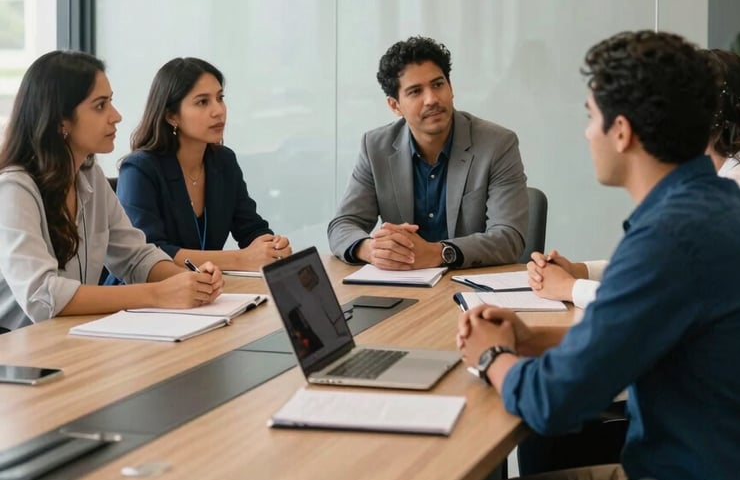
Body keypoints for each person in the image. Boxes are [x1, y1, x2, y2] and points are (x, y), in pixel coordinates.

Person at [411, 30, 740, 480]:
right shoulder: (719, 206)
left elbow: (554, 403)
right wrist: (529, 338)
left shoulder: (670, 237)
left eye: (590, 116)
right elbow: (635, 335)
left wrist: (491, 357)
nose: (585, 133)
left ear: (621, 132)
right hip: (692, 478)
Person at [528, 47, 740, 309]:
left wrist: (569, 287)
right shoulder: (719, 173)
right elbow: (661, 270)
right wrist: (580, 271)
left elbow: (663, 297)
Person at [0, 51, 222, 332]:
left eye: (111, 102)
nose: (116, 116)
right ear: (61, 121)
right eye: (100, 106)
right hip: (16, 349)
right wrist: (159, 294)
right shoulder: (13, 188)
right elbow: (43, 297)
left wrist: (190, 282)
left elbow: (135, 256)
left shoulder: (88, 173)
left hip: (70, 336)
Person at [327, 36, 528, 271]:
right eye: (415, 92)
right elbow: (343, 224)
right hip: (404, 288)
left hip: (472, 289)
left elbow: (509, 237)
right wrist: (370, 249)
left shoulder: (497, 144)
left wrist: (438, 253)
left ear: (451, 88)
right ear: (395, 105)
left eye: (438, 84)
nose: (432, 99)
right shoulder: (375, 147)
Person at [117, 57, 291, 272]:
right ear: (172, 116)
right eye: (202, 102)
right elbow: (152, 252)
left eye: (220, 98)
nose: (218, 110)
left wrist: (271, 247)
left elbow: (251, 228)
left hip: (209, 291)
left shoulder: (223, 161)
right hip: (146, 297)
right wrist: (242, 259)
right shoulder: (140, 169)